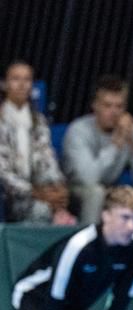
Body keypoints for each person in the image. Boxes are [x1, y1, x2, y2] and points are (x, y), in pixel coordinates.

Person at [62, 75, 133, 226]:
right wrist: (116, 144)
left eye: (119, 106)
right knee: (96, 192)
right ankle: (89, 244)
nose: (114, 112)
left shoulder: (129, 131)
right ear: (95, 106)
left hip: (112, 191)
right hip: (77, 192)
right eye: (108, 105)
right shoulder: (78, 130)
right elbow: (89, 178)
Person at [0, 60, 77, 226]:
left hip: (38, 188)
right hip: (10, 195)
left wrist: (58, 188)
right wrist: (35, 193)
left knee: (66, 201)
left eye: (27, 79)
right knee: (42, 210)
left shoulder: (38, 121)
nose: (22, 85)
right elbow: (3, 174)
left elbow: (47, 158)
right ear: (5, 84)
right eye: (15, 79)